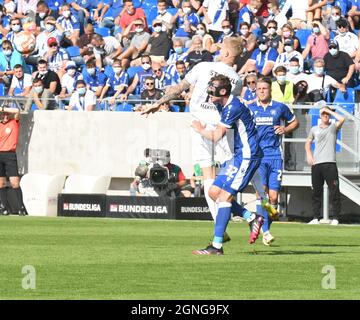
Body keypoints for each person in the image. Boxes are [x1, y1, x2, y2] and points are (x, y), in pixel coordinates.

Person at [141, 37, 274, 241]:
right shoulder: (236, 80)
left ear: (227, 53)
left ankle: (221, 226)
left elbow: (178, 88)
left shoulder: (203, 66)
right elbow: (229, 102)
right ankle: (262, 207)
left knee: (209, 179)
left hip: (202, 128)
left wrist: (157, 103)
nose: (219, 51)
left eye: (221, 49)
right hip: (224, 130)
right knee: (240, 169)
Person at [191, 74, 265, 255]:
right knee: (214, 192)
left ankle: (216, 246)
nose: (209, 92)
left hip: (248, 156)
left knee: (225, 198)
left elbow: (216, 136)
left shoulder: (233, 107)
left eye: (212, 88)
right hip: (238, 155)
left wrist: (199, 129)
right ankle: (251, 217)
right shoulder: (223, 102)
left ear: (223, 91)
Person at [248, 77, 299, 245]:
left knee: (274, 198)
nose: (262, 91)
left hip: (275, 156)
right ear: (256, 90)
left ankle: (262, 227)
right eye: (259, 88)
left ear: (270, 90)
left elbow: (295, 122)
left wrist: (285, 128)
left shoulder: (279, 107)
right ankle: (265, 231)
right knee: (262, 193)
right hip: (258, 157)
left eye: (265, 88)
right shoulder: (250, 108)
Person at [305, 106, 345, 226]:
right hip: (317, 164)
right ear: (320, 116)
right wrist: (309, 154)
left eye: (327, 114)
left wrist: (328, 110)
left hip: (330, 164)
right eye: (323, 114)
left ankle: (336, 217)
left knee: (334, 191)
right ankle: (316, 217)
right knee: (316, 192)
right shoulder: (314, 129)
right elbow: (308, 142)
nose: (325, 115)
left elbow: (342, 119)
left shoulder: (333, 127)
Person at [0, 105, 27, 216]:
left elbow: (17, 111)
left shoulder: (14, 122)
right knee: (1, 183)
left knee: (15, 182)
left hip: (10, 154)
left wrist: (3, 109)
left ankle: (21, 207)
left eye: (7, 114)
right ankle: (3, 207)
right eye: (3, 114)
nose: (5, 116)